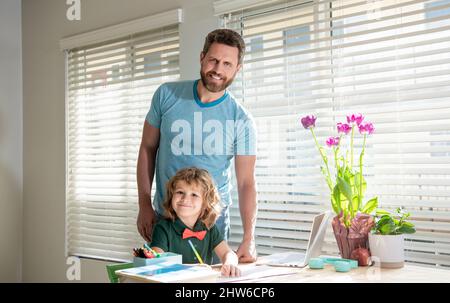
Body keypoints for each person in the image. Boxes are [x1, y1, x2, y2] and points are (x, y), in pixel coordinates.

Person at [136, 28, 257, 263]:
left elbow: (246, 183)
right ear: (202, 57)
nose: (218, 70)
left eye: (227, 64)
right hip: (165, 215)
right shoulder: (166, 95)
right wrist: (144, 205)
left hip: (212, 220)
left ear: (237, 69)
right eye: (213, 60)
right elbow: (147, 148)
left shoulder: (242, 120)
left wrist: (249, 237)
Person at [149, 167, 241, 277]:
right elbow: (157, 263)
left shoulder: (209, 228)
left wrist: (230, 263)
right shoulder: (162, 228)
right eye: (180, 192)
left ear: (205, 203)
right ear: (171, 196)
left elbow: (228, 253)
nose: (185, 199)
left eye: (194, 195)